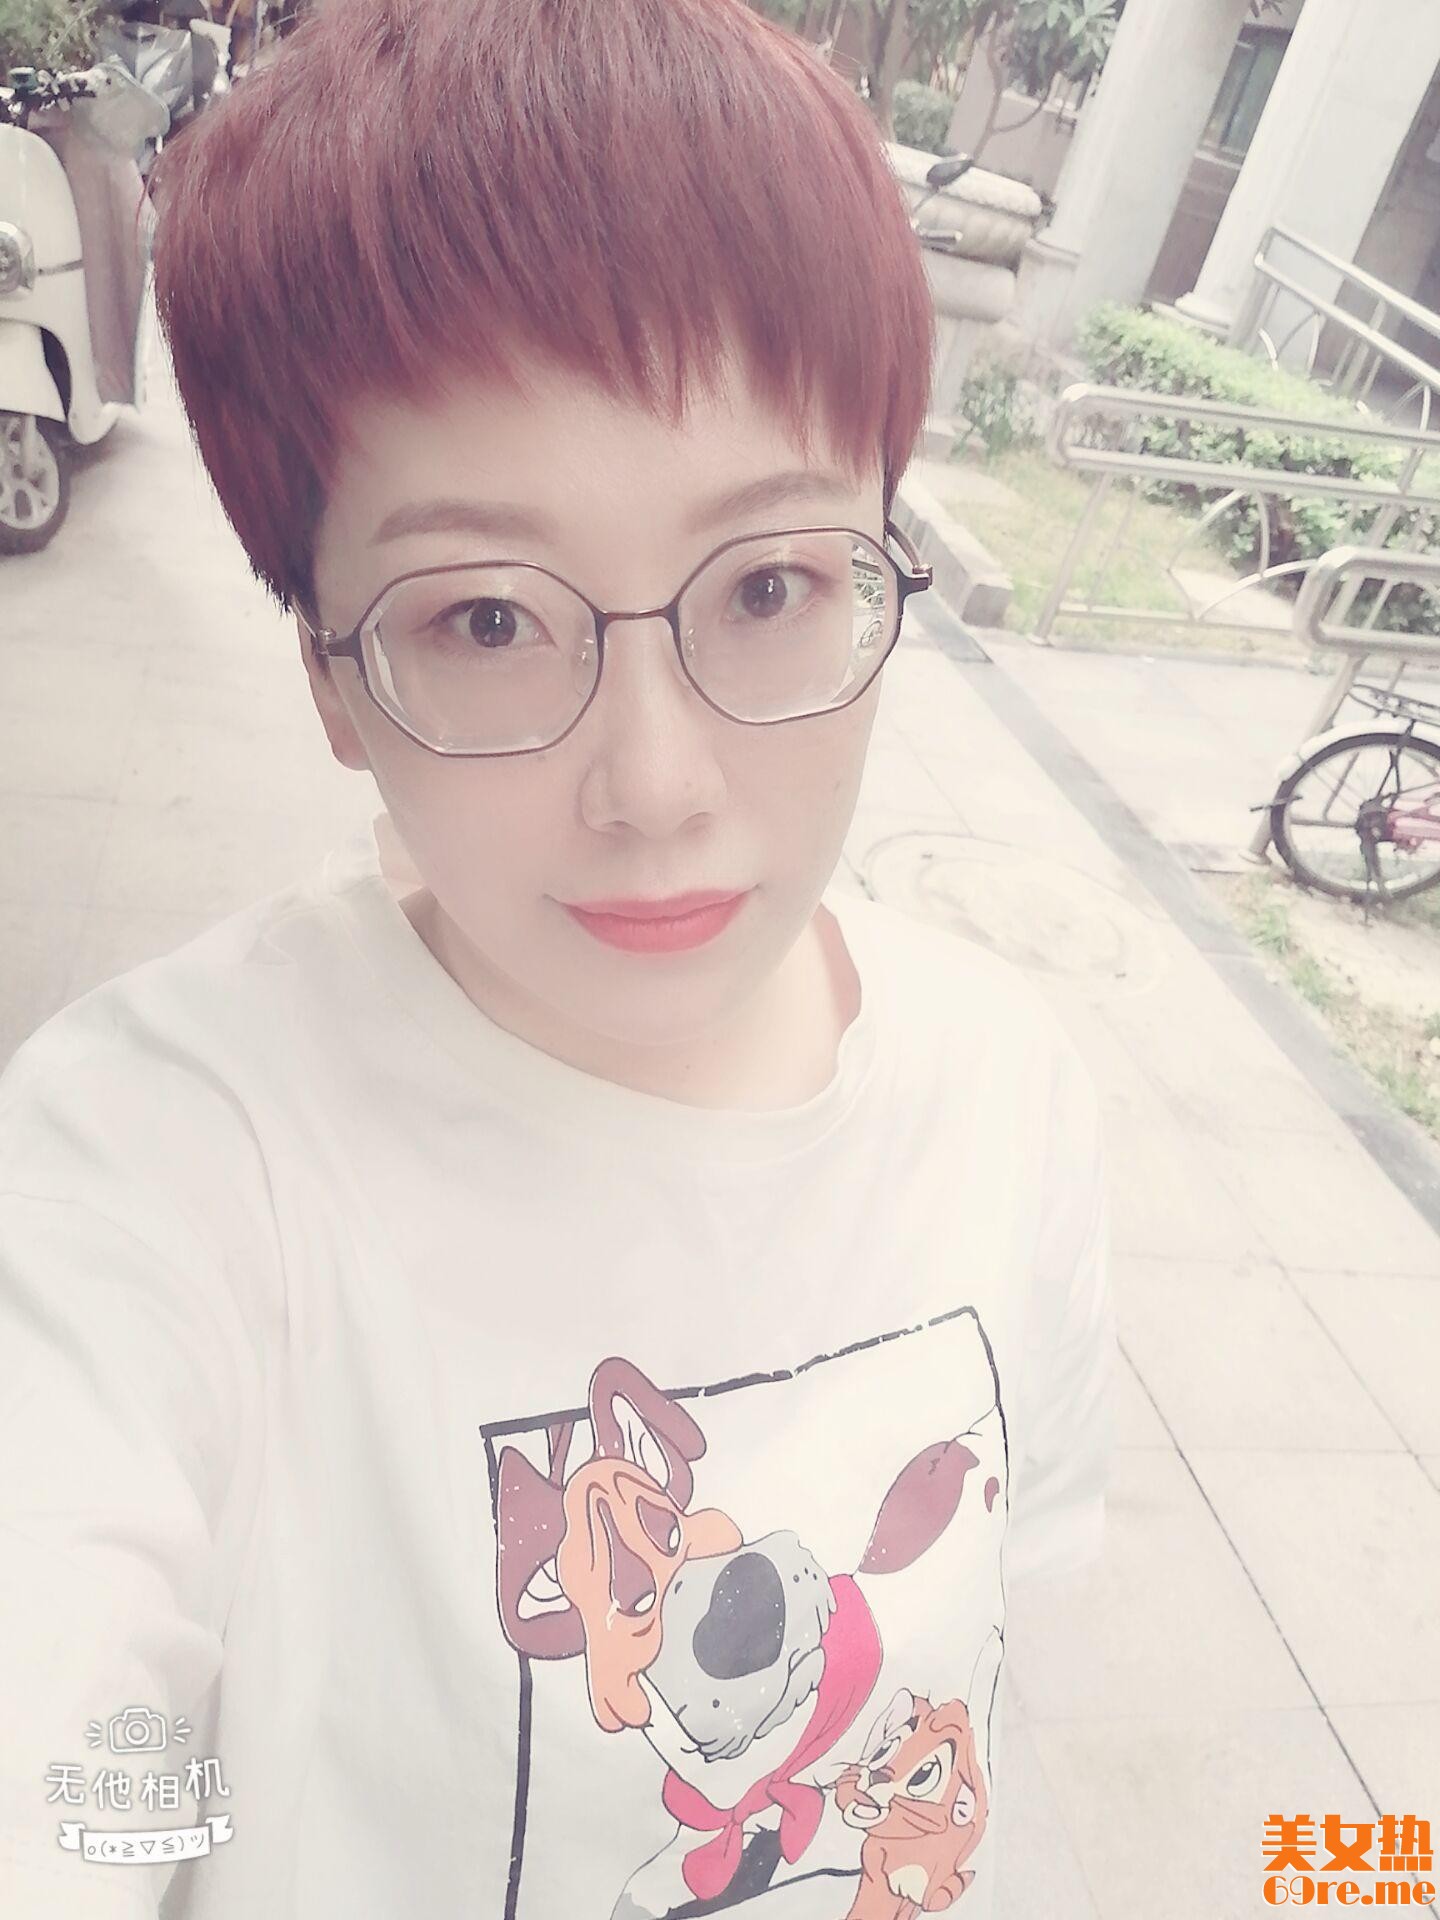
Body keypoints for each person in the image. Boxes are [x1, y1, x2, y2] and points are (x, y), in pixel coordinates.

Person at [0, 0, 1113, 1914]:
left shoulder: (1007, 1095)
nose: (657, 788)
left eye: (769, 585)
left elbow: (1018, 1668)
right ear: (329, 680)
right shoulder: (169, 1167)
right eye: (489, 620)